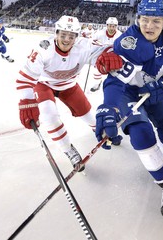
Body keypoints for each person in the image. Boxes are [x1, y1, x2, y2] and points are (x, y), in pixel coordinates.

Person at [94, 0, 163, 224]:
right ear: (137, 18)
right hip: (129, 92)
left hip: (157, 87)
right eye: (144, 20)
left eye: (156, 21)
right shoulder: (128, 43)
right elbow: (116, 81)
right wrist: (109, 107)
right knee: (141, 135)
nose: (149, 26)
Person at [15, 15, 122, 172]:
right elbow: (25, 79)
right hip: (44, 85)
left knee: (88, 114)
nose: (66, 39)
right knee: (50, 117)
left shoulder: (84, 46)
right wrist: (27, 102)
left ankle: (99, 129)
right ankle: (68, 149)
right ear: (56, 33)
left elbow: (105, 50)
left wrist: (110, 55)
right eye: (63, 34)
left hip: (69, 85)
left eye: (71, 36)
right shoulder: (44, 49)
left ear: (77, 37)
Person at [89, 17, 122, 92]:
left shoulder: (120, 35)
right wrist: (99, 45)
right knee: (97, 69)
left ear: (116, 26)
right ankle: (97, 83)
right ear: (107, 25)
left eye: (114, 26)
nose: (111, 28)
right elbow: (91, 41)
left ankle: (112, 85)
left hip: (113, 56)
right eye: (110, 26)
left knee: (114, 71)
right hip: (101, 55)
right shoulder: (100, 33)